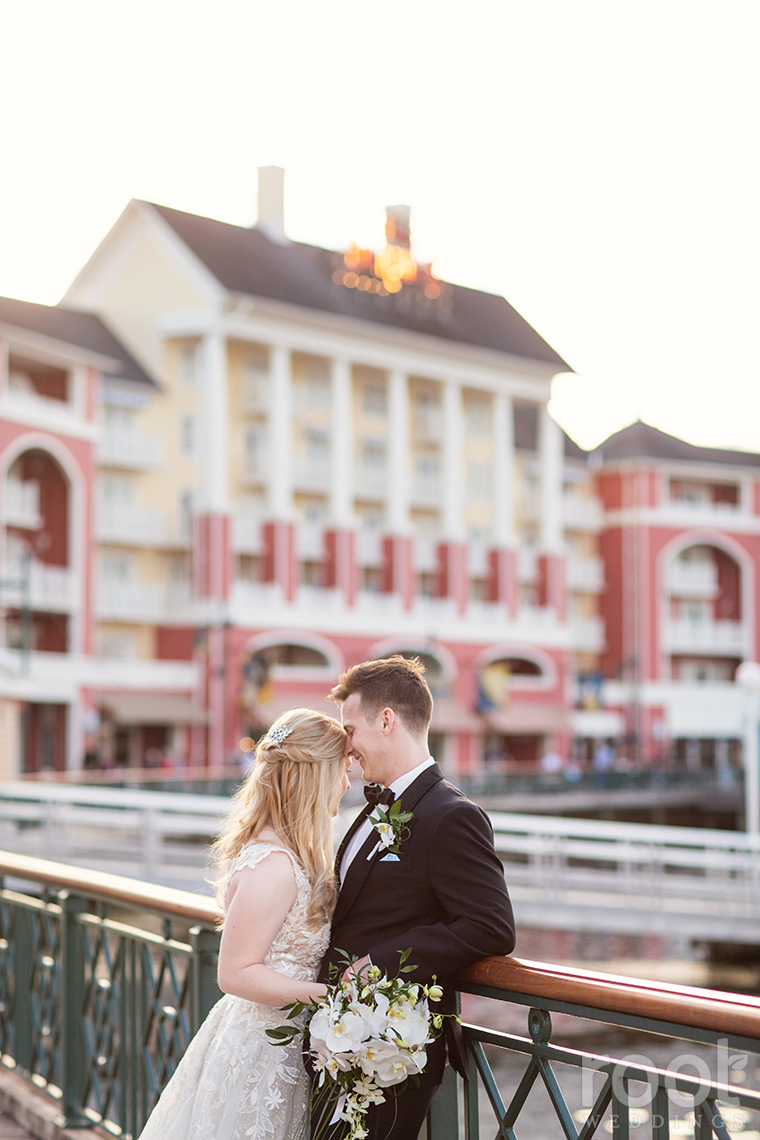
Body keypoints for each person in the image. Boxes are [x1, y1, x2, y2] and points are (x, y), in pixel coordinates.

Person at [317, 656, 516, 1140]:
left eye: (351, 729)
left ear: (386, 720)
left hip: (391, 1050)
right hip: (339, 1037)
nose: (346, 747)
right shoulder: (367, 809)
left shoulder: (451, 815)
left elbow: (491, 926)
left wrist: (379, 963)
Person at [137, 707, 351, 1140]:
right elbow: (235, 972)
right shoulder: (273, 864)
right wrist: (331, 997)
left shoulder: (289, 854)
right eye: (342, 771)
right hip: (261, 1053)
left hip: (284, 1044)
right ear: (314, 777)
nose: (348, 784)